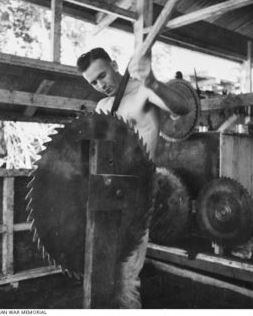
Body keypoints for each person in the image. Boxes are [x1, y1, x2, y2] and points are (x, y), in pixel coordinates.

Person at [77, 47, 191, 308]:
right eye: (93, 82)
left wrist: (152, 81)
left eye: (102, 75)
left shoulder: (144, 90)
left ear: (114, 64)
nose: (100, 85)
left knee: (127, 276)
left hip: (137, 190)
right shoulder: (103, 105)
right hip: (105, 192)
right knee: (99, 272)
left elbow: (182, 108)